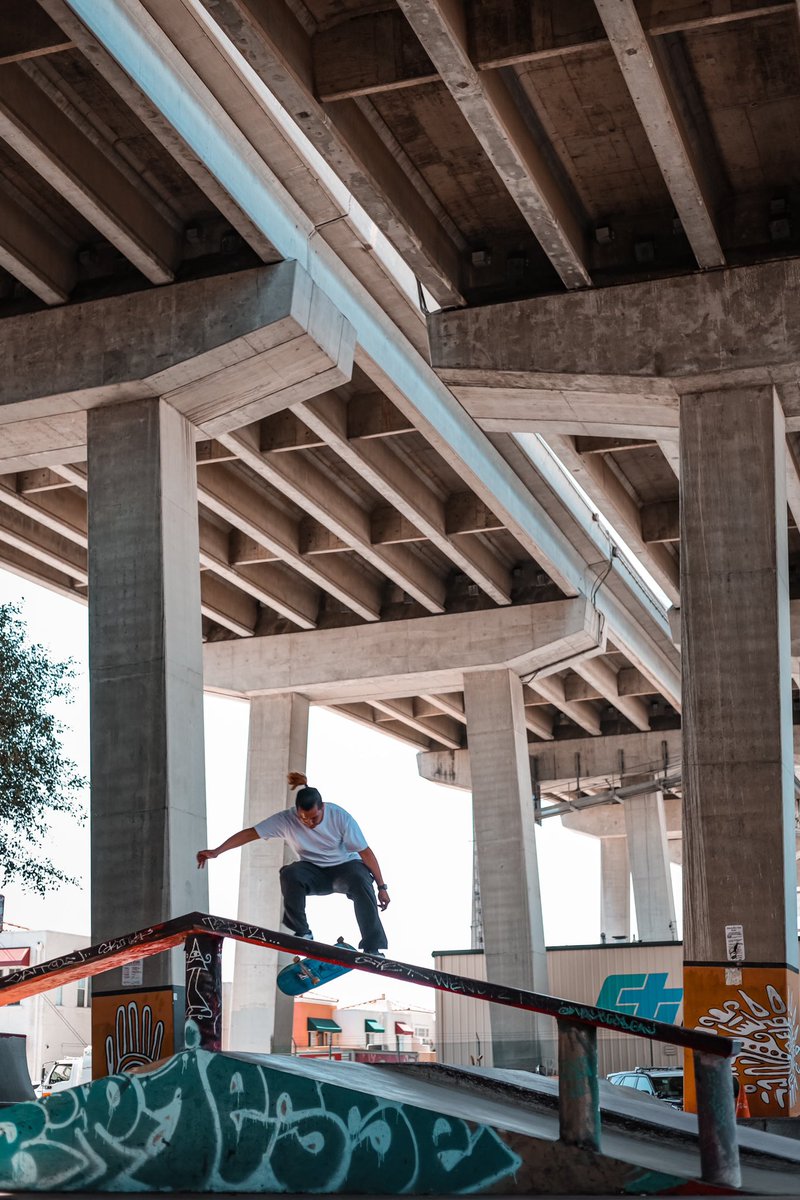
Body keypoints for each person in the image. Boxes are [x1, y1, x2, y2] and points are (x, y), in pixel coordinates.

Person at [196, 771, 390, 955]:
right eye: (304, 819)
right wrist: (216, 851)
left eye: (314, 818)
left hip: (344, 870)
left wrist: (382, 887)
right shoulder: (286, 820)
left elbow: (365, 852)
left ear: (322, 807)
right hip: (313, 873)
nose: (309, 824)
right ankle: (303, 932)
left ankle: (372, 947)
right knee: (290, 873)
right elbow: (250, 833)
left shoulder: (339, 817)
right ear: (297, 812)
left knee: (360, 878)